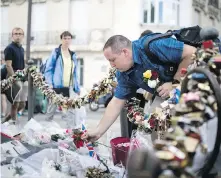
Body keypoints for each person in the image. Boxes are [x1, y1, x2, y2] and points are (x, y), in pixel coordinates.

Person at [82, 33, 196, 142]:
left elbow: (192, 53)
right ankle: (165, 157)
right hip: (170, 93)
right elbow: (117, 102)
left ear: (125, 52)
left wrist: (174, 82)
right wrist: (98, 131)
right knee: (156, 122)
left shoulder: (154, 45)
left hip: (196, 83)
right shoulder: (124, 73)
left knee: (191, 126)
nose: (111, 65)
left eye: (112, 60)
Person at [44, 31, 80, 121]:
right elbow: (49, 69)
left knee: (69, 112)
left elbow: (75, 73)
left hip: (68, 87)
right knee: (51, 111)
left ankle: (68, 131)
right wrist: (50, 83)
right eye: (65, 38)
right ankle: (46, 131)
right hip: (56, 86)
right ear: (61, 39)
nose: (67, 40)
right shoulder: (56, 52)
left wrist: (77, 88)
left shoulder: (73, 55)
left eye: (69, 38)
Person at [2, 27, 28, 123]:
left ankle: (4, 122)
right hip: (12, 78)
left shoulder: (21, 49)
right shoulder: (9, 48)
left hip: (21, 77)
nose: (18, 35)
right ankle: (14, 125)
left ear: (23, 36)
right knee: (15, 104)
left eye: (20, 34)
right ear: (12, 36)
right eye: (16, 34)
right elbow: (8, 66)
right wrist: (15, 79)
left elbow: (21, 64)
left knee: (22, 105)